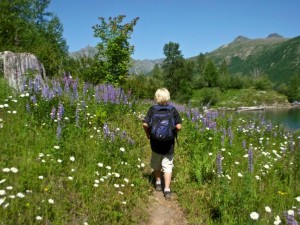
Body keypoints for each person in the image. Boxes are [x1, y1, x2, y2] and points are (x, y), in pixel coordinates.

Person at [143, 88, 182, 200]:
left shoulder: (152, 109)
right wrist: (173, 132)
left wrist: (148, 135)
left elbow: (145, 125)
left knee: (156, 163)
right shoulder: (172, 110)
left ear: (156, 97)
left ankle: (159, 183)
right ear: (168, 97)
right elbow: (179, 126)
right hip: (169, 144)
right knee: (168, 165)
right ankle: (167, 189)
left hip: (155, 142)